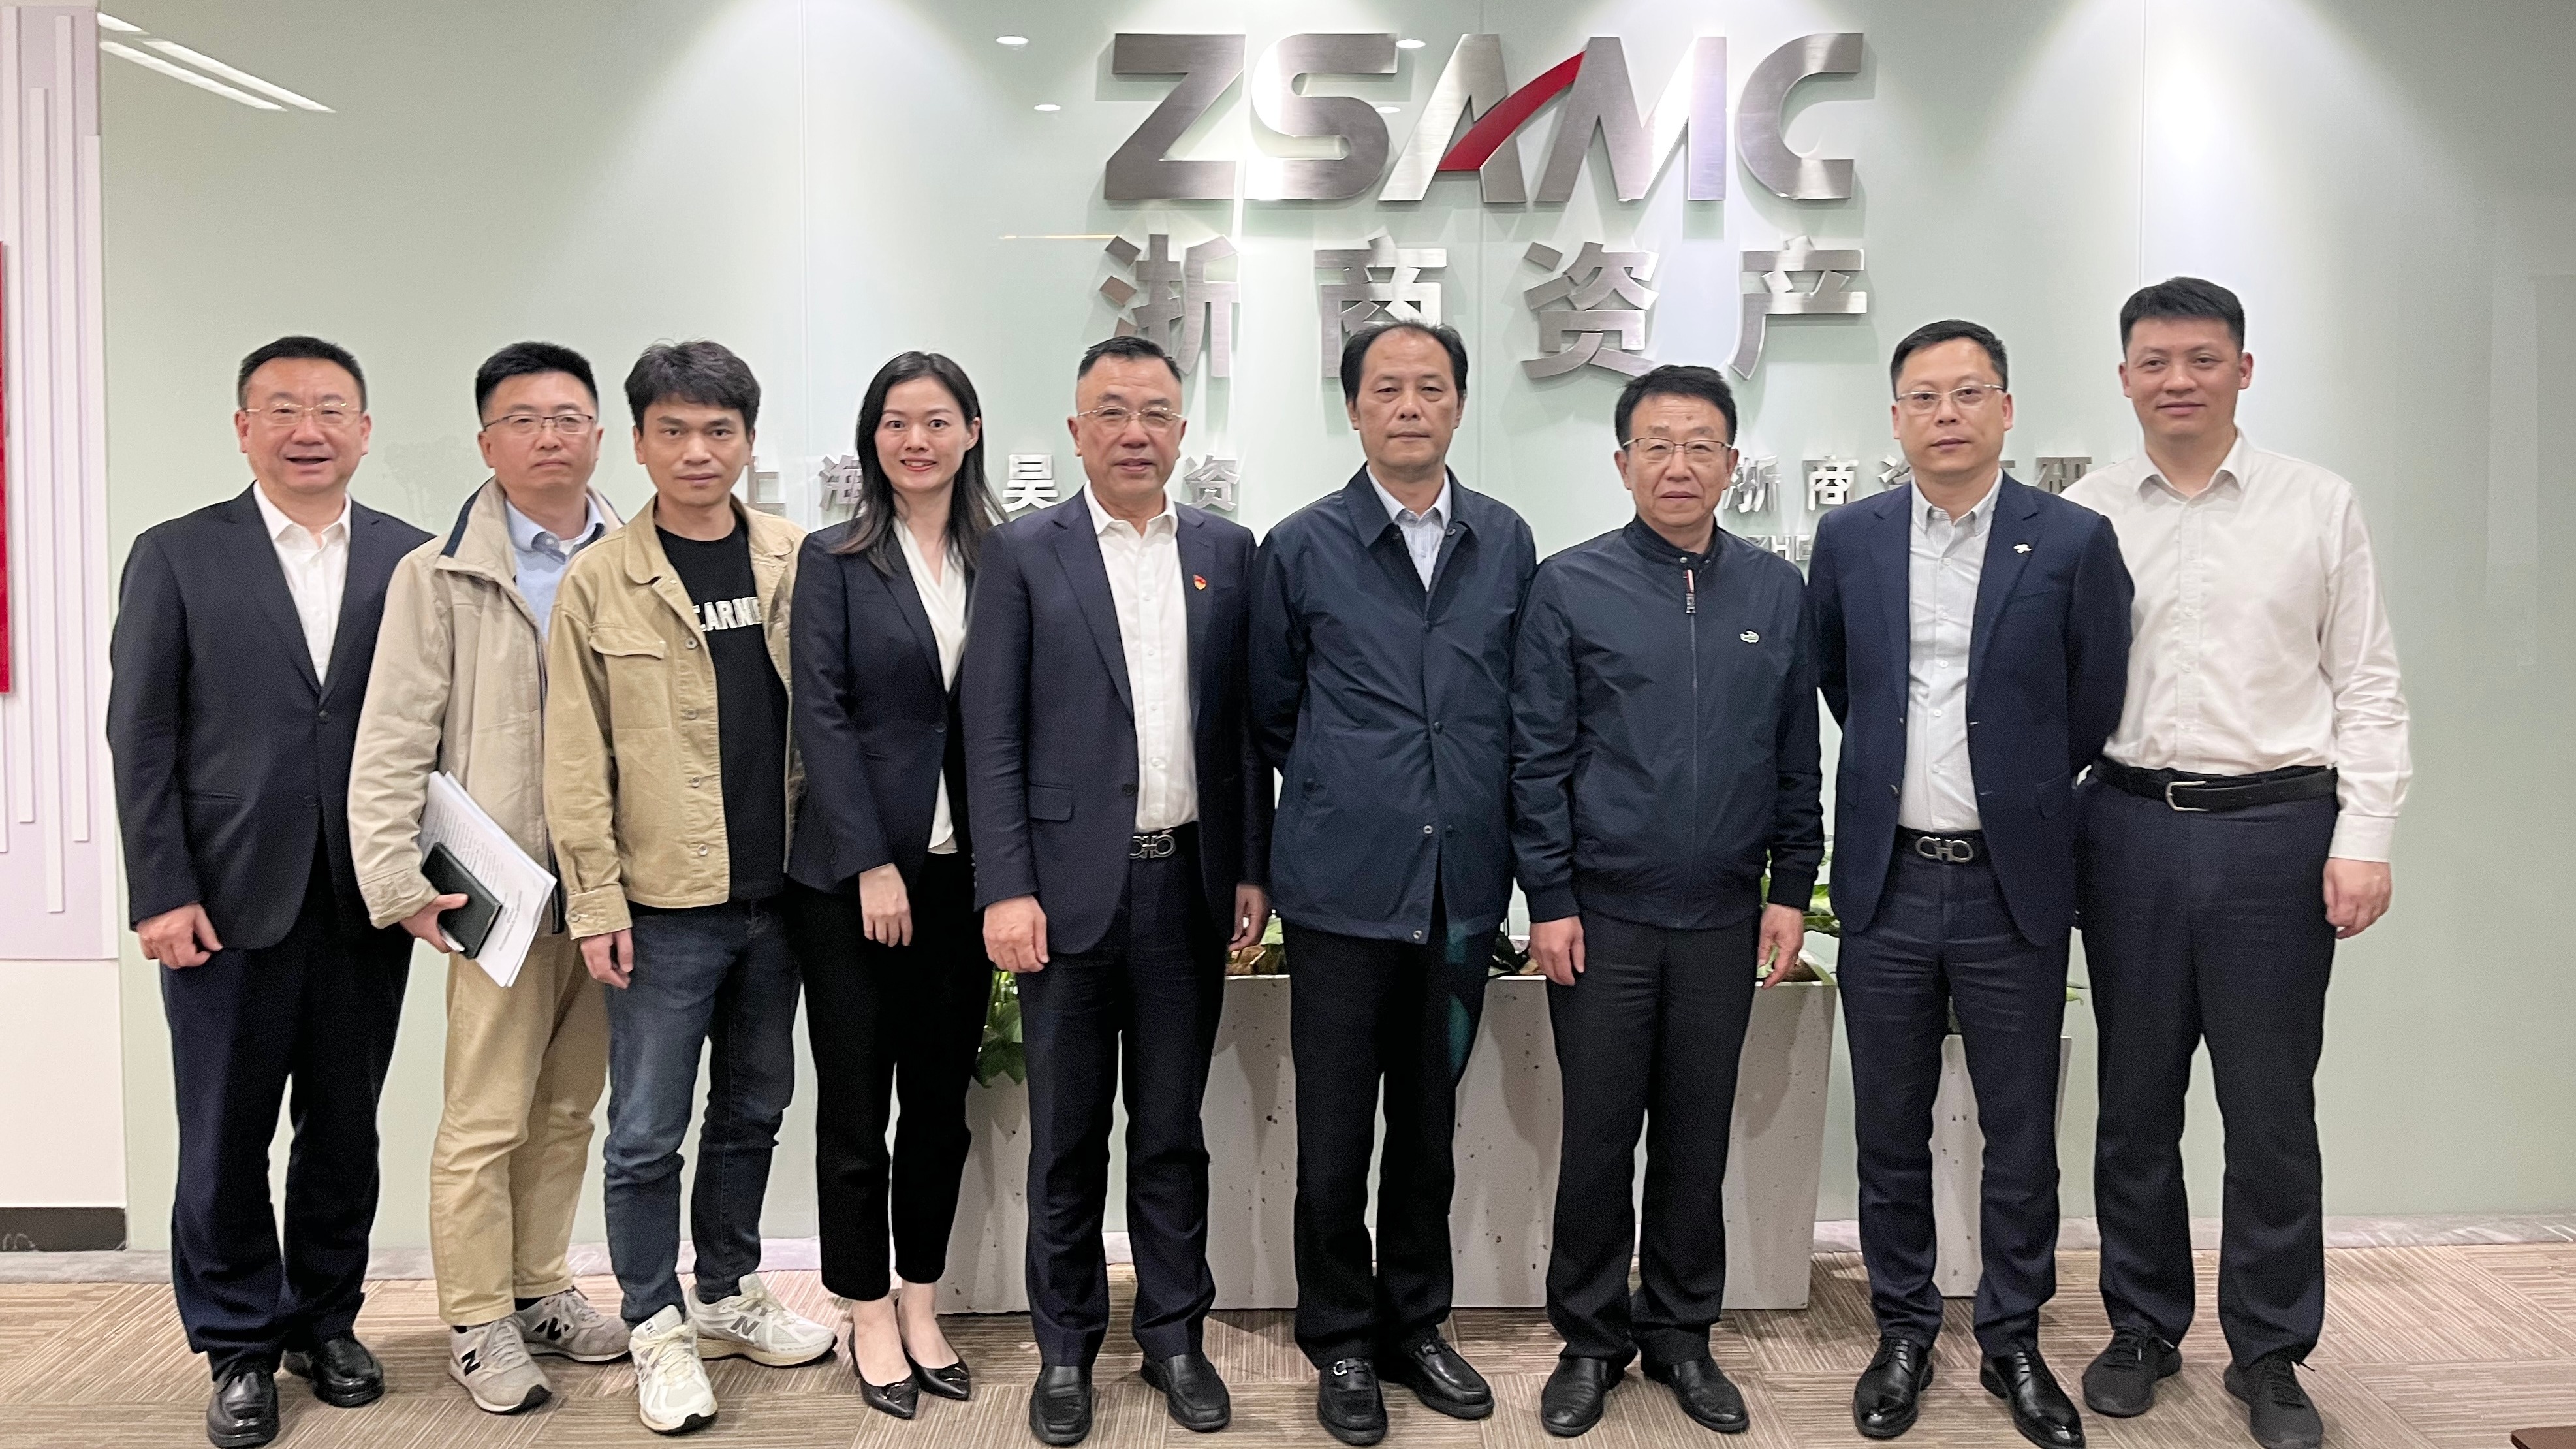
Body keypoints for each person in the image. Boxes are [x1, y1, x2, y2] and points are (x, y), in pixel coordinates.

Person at [2064, 278, 2408, 1449]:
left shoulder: (2316, 503)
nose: (2178, 381)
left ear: (2242, 370)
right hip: (2127, 826)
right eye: (2154, 361)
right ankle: (2141, 1326)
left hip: (2277, 832)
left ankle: (2268, 1350)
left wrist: (2364, 836)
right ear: (2123, 378)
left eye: (2201, 359)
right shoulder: (2086, 513)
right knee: (2134, 1101)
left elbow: (2366, 681)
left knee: (2268, 1112)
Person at [1807, 320, 2131, 1449]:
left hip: (2010, 885)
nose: (1945, 415)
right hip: (1888, 881)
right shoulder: (1847, 538)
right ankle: (1901, 1331)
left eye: (1967, 393)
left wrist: (2013, 790)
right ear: (1895, 418)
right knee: (1888, 1128)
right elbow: (1843, 683)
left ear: (2005, 409)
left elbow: (2092, 700)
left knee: (2019, 1132)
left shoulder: (2073, 539)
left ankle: (2011, 1339)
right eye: (1922, 396)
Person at [107, 336, 432, 1449]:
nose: (309, 429)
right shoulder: (177, 555)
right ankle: (238, 1345)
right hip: (224, 900)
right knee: (223, 1137)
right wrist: (161, 891)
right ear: (243, 428)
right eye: (283, 408)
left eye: (332, 408)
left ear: (365, 431)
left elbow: (436, 733)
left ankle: (323, 1322)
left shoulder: (412, 559)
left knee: (344, 1131)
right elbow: (141, 736)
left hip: (364, 898)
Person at [962, 334, 1272, 1447]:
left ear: (1182, 433)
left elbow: (1242, 730)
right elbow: (990, 736)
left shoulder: (1228, 551)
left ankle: (1175, 1338)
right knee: (1066, 1137)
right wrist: (1006, 887)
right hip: (1063, 895)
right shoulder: (1022, 553)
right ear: (1076, 430)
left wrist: (1251, 864)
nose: (1133, 433)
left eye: (1153, 414)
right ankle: (1065, 1351)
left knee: (1172, 1131)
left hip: (1187, 885)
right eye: (1111, 412)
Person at [1510, 364, 1823, 1440]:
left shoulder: (1774, 591)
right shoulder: (1570, 586)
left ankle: (1682, 1334)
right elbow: (1537, 757)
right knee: (1597, 1138)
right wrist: (1550, 897)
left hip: (1724, 916)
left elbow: (1795, 755)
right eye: (1656, 445)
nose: (1677, 465)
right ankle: (1590, 1342)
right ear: (1622, 463)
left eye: (1699, 446)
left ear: (1731, 464)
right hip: (1602, 917)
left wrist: (1791, 887)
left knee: (1696, 1137)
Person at [1250, 320, 1538, 1448]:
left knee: (1427, 1129)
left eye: (1430, 387)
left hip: (1459, 891)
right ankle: (1338, 1338)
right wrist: (1351, 785)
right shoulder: (1300, 545)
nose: (1409, 406)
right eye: (1386, 389)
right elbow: (1272, 710)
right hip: (1341, 891)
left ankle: (1416, 1325)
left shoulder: (1503, 540)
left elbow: (1521, 706)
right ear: (1354, 409)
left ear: (1458, 405)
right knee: (1332, 1138)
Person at [544, 340, 833, 1435]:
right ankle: (655, 1325)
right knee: (644, 1133)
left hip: (781, 900)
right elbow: (575, 759)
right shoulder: (600, 580)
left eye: (719, 430)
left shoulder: (795, 560)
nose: (697, 451)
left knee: (754, 1110)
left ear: (748, 441)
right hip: (662, 909)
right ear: (638, 443)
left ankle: (724, 1292)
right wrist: (596, 903)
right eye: (673, 430)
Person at [346, 341, 629, 1415]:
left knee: (568, 1111)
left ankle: (540, 1286)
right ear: (486, 442)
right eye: (523, 420)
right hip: (494, 891)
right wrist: (398, 883)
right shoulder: (438, 576)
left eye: (567, 418)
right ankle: (475, 1318)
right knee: (485, 1117)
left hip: (609, 891)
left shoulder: (635, 560)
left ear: (598, 435)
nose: (548, 437)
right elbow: (392, 740)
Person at [782, 351, 1003, 1420]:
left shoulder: (1005, 557)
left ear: (971, 432)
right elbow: (820, 715)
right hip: (853, 882)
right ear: (872, 440)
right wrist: (872, 860)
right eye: (895, 422)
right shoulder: (834, 559)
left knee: (939, 1109)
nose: (916, 440)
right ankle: (864, 1309)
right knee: (856, 1106)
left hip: (966, 881)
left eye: (936, 420)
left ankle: (921, 1299)